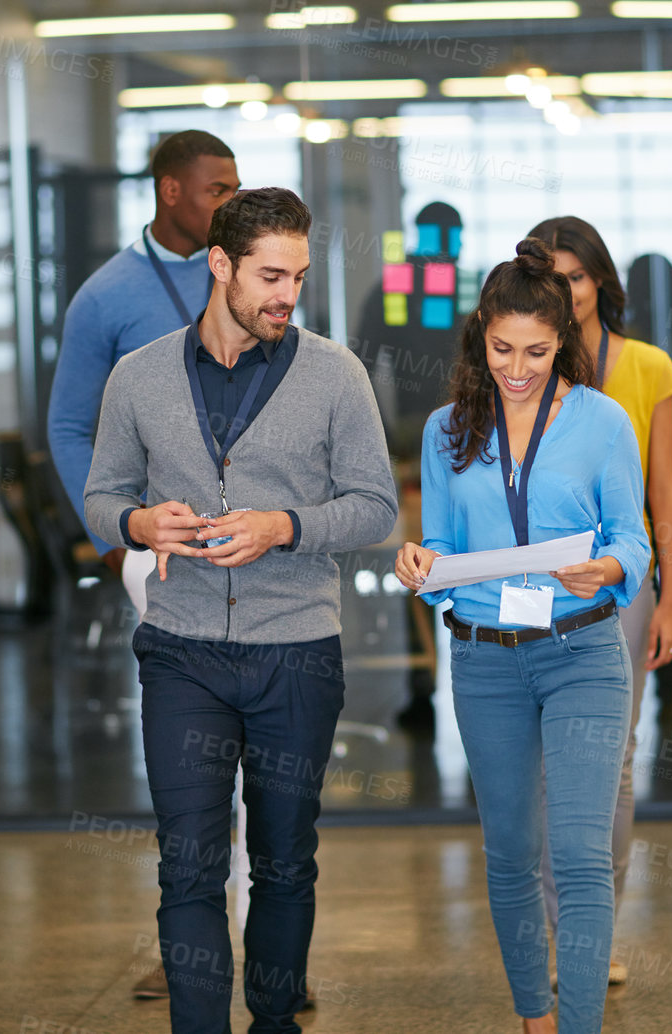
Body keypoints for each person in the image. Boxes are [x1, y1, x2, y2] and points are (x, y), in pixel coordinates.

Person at [84, 187, 397, 1033]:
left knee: (285, 862)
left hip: (296, 653)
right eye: (269, 275)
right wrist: (138, 523)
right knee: (188, 866)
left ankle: (274, 1022)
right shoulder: (138, 375)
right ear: (220, 266)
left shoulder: (337, 374)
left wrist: (284, 528)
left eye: (296, 275)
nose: (286, 295)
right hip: (182, 651)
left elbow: (376, 509)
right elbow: (101, 495)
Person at [395, 239, 649, 1034]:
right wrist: (419, 560)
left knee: (578, 858)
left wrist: (606, 569)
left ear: (562, 340)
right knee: (509, 854)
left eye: (537, 351)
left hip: (582, 652)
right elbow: (439, 541)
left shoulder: (602, 421)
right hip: (483, 660)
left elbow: (632, 541)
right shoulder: (446, 430)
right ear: (481, 334)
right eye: (503, 348)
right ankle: (532, 1017)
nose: (519, 367)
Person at [529, 218, 672, 988]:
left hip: (621, 584)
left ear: (600, 283)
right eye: (550, 278)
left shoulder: (648, 366)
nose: (565, 292)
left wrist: (670, 598)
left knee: (611, 762)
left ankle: (595, 928)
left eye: (577, 277)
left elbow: (664, 491)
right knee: (544, 765)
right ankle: (557, 929)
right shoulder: (518, 365)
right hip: (532, 586)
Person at [48, 129, 240, 609]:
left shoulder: (247, 280)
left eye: (236, 190)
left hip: (250, 534)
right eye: (217, 191)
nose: (231, 205)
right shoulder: (102, 297)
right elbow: (67, 428)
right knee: (182, 680)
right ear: (170, 191)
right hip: (161, 543)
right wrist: (112, 540)